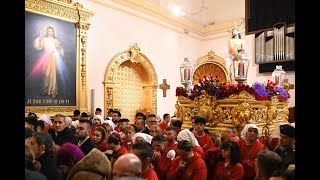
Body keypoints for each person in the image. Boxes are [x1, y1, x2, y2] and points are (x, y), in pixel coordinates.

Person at [33, 26, 65, 98]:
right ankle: (45, 89)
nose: (51, 33)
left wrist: (59, 48)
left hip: (53, 58)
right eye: (49, 31)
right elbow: (39, 47)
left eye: (52, 31)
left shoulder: (56, 40)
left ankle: (53, 91)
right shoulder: (45, 39)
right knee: (46, 74)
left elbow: (61, 51)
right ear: (47, 32)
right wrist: (40, 37)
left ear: (53, 32)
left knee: (53, 75)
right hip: (45, 58)